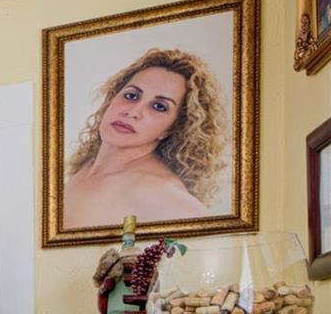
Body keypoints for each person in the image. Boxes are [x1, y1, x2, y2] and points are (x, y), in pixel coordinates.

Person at [63, 48, 228, 229]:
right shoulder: (84, 166)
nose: (133, 112)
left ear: (172, 128)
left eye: (158, 106)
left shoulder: (165, 195)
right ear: (111, 99)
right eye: (131, 95)